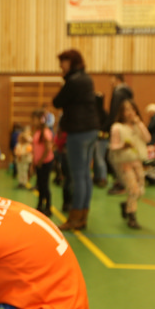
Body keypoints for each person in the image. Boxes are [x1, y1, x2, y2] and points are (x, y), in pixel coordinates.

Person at [52, 50, 100, 230]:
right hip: (91, 130)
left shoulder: (73, 81)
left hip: (78, 131)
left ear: (70, 62)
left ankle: (74, 217)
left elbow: (57, 101)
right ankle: (83, 215)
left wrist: (64, 80)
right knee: (85, 175)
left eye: (63, 62)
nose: (60, 66)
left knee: (78, 176)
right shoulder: (86, 79)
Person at [108, 99, 150, 230]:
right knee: (133, 190)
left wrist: (139, 123)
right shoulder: (117, 127)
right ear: (122, 112)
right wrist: (123, 146)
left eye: (132, 109)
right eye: (126, 110)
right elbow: (113, 146)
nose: (130, 112)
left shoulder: (138, 126)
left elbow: (147, 138)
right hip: (124, 162)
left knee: (140, 190)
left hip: (137, 161)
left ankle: (126, 205)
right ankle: (132, 217)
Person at [106, 75, 134, 194]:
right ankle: (123, 182)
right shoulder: (127, 93)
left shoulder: (118, 93)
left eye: (112, 80)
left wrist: (110, 126)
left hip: (118, 128)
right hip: (125, 128)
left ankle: (122, 183)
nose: (110, 83)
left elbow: (114, 112)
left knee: (116, 156)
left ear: (118, 80)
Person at [31, 110, 56, 216]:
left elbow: (47, 148)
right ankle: (40, 205)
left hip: (45, 162)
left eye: (34, 119)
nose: (32, 121)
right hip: (39, 163)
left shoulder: (45, 132)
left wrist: (41, 161)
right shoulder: (37, 131)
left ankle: (48, 207)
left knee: (45, 185)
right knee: (40, 185)